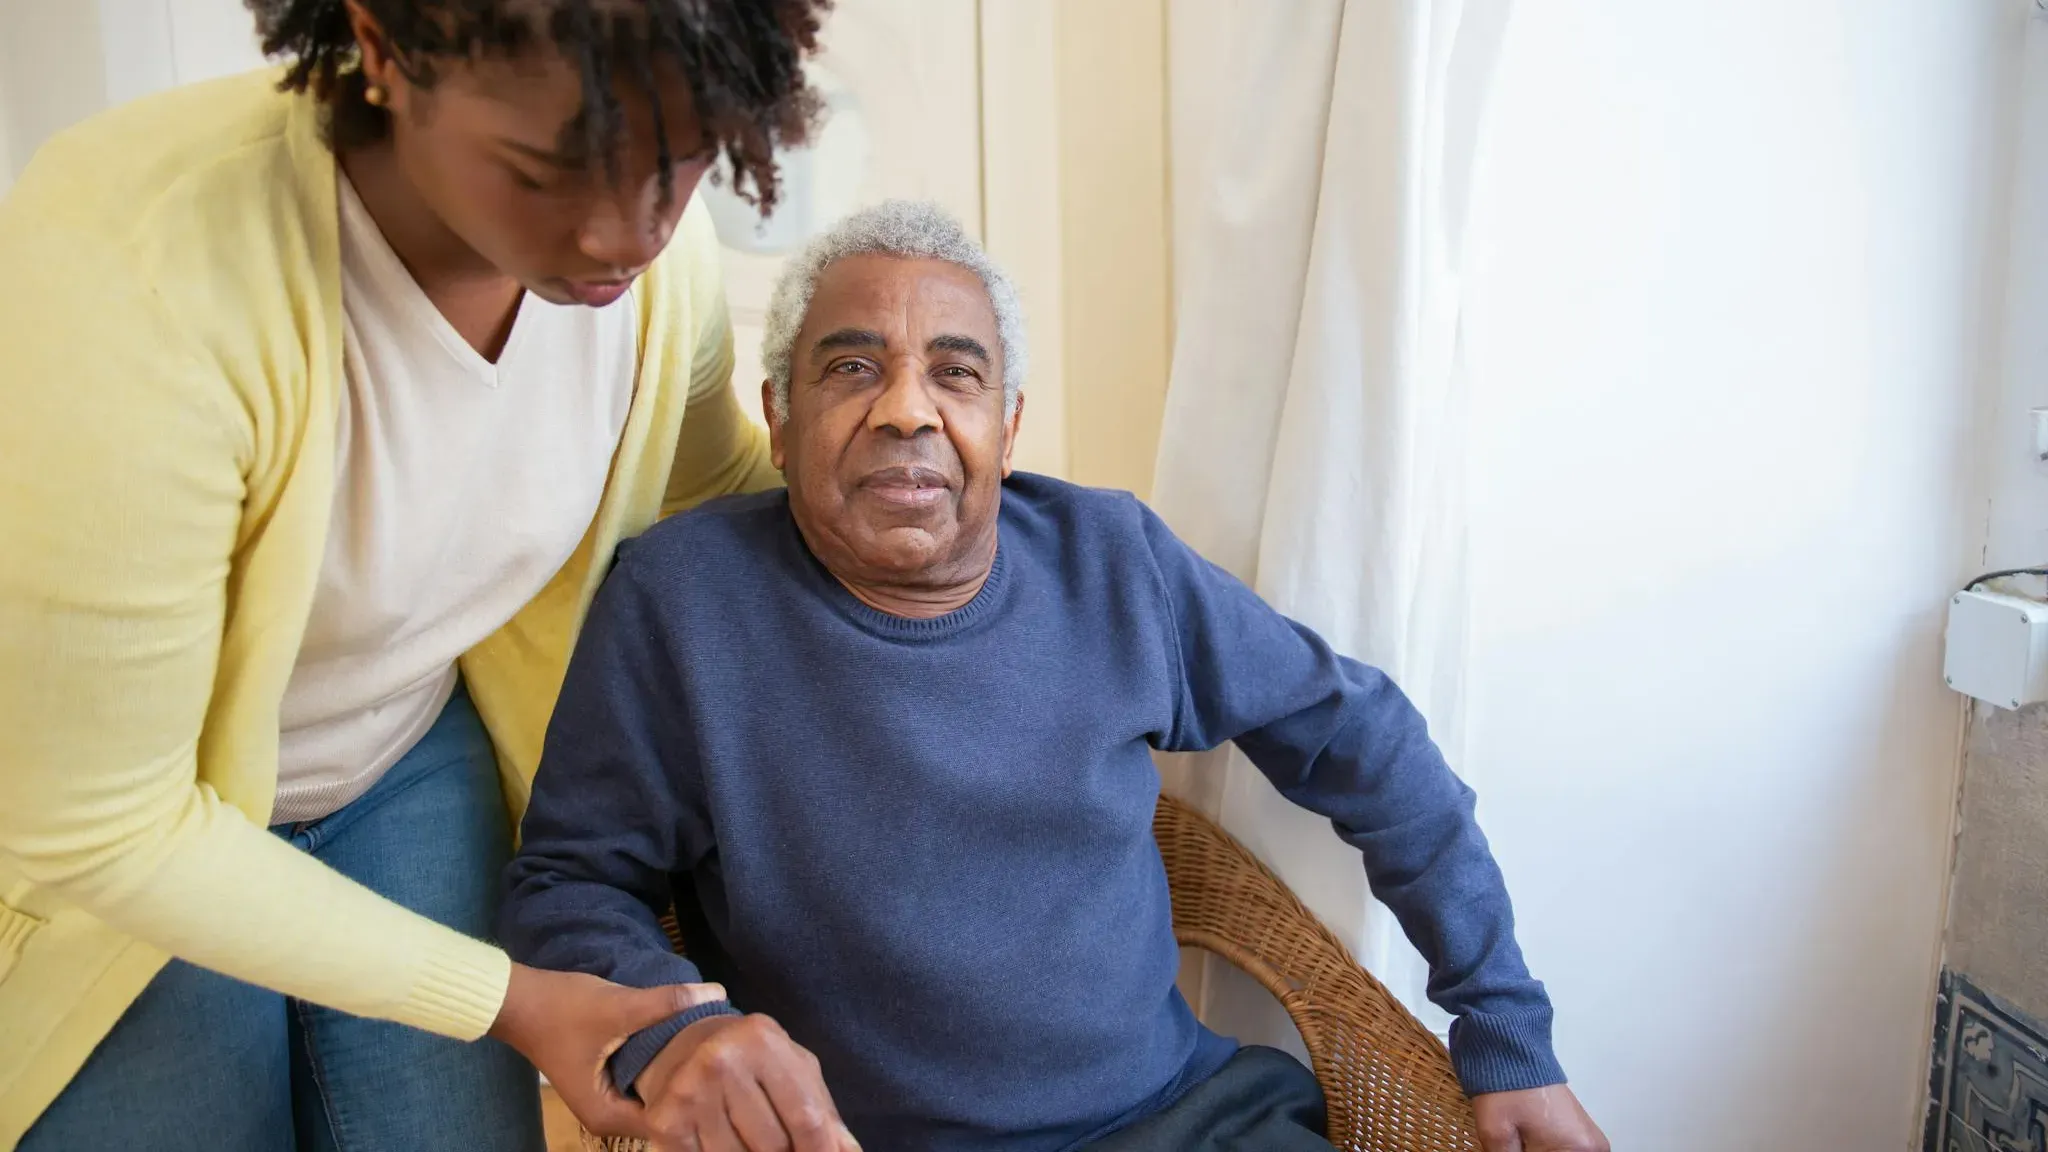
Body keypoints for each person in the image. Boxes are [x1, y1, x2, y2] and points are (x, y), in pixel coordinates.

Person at [501, 200, 1611, 1152]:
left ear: (1007, 425)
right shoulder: (682, 600)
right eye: (850, 368)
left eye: (956, 372)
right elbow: (565, 883)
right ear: (779, 423)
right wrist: (671, 1033)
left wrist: (1502, 1030)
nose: (905, 409)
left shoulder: (1111, 560)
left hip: (1179, 1120)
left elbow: (1363, 742)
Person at [0, 2, 840, 1149]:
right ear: (383, 47)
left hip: (400, 750)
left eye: (678, 164)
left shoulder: (656, 281)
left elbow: (713, 489)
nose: (625, 234)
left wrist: (981, 541)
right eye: (547, 170)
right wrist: (510, 1001)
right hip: (115, 831)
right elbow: (97, 823)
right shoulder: (137, 264)